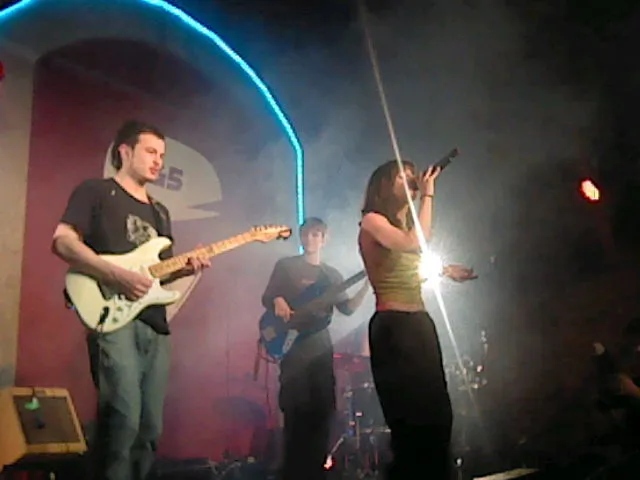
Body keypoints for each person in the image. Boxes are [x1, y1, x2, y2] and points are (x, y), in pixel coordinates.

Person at [51, 120, 211, 480]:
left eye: (162, 155)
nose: (158, 162)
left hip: (154, 325)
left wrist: (188, 268)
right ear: (125, 151)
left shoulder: (160, 211)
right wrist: (115, 275)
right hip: (113, 319)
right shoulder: (95, 191)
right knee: (122, 420)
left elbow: (158, 275)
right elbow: (62, 241)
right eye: (151, 152)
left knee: (150, 429)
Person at [358, 160, 476, 480]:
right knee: (410, 418)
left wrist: (445, 271)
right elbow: (413, 244)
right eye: (402, 176)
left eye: (412, 175)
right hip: (393, 326)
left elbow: (410, 265)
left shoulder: (406, 225)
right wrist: (428, 195)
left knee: (438, 414)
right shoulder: (372, 221)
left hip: (419, 323)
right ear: (384, 185)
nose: (410, 180)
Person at [261, 217, 369, 480]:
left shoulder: (331, 276)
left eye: (316, 235)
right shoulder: (286, 266)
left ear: (324, 239)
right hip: (293, 348)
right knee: (295, 410)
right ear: (301, 237)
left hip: (320, 347)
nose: (310, 239)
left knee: (322, 409)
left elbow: (348, 308)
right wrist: (278, 300)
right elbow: (268, 296)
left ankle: (316, 470)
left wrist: (368, 283)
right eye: (306, 234)